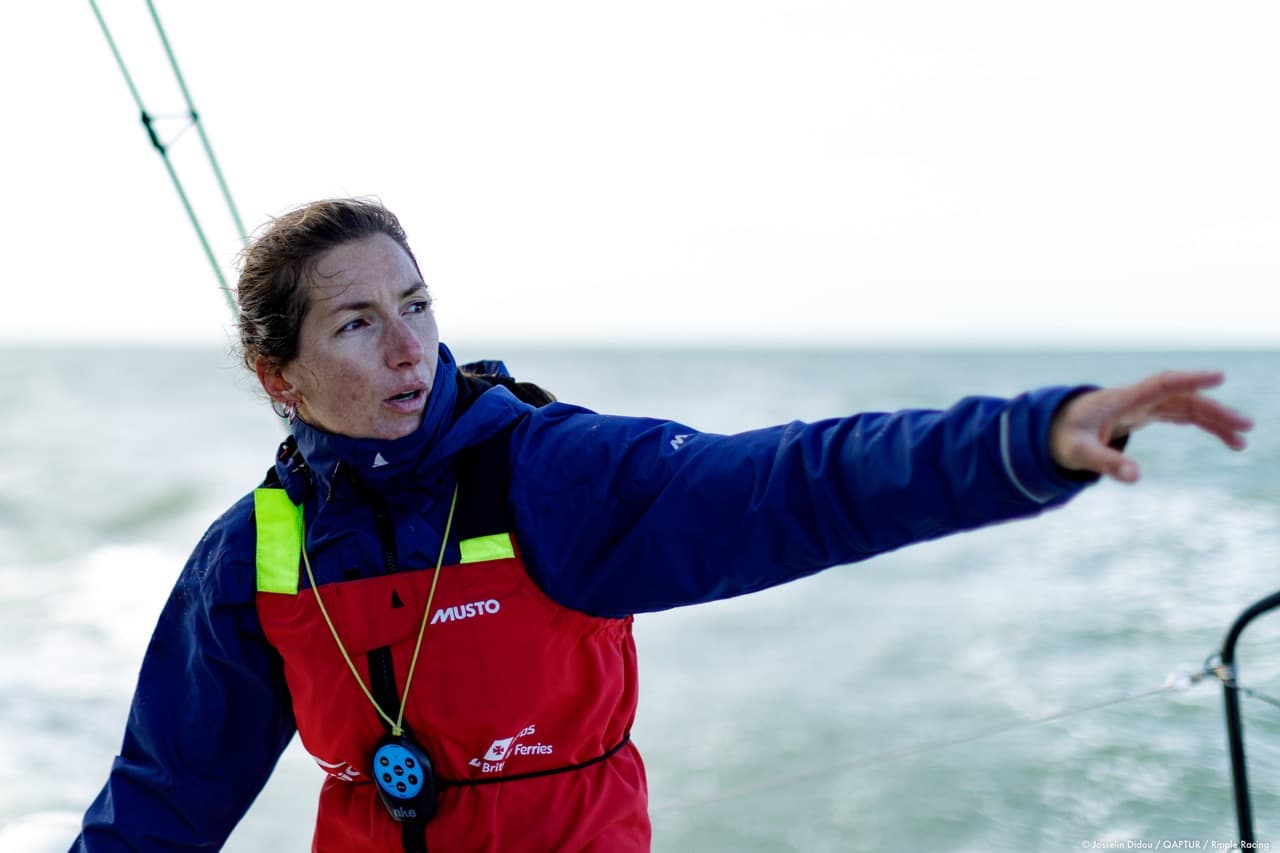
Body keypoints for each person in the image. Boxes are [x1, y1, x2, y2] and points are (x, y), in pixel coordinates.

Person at [74, 198, 1252, 852]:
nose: (409, 349)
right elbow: (162, 804)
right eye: (357, 324)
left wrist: (1024, 437)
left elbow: (794, 484)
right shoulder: (254, 556)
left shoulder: (551, 474)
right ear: (277, 373)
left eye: (418, 306)